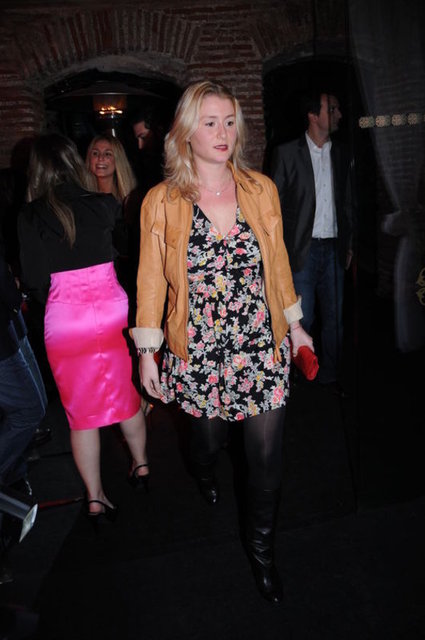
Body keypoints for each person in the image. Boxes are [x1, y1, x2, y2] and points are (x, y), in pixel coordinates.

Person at [131, 80, 313, 604]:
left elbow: (277, 264)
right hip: (200, 347)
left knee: (266, 456)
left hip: (259, 343)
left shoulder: (260, 189)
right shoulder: (162, 201)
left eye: (230, 122)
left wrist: (296, 325)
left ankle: (262, 551)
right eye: (210, 122)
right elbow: (150, 280)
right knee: (207, 442)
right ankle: (204, 468)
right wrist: (148, 352)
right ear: (186, 132)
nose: (223, 132)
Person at [18, 134, 149, 523]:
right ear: (74, 163)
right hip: (111, 310)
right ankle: (142, 466)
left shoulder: (30, 215)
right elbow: (122, 251)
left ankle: (95, 498)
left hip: (66, 318)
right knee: (126, 395)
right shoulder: (104, 204)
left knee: (81, 415)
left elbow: (35, 279)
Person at [270, 89, 353, 393]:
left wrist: (349, 243)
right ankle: (296, 373)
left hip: (333, 248)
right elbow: (274, 208)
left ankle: (329, 374)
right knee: (301, 319)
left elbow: (348, 201)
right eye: (332, 109)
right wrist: (279, 253)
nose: (339, 114)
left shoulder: (342, 153)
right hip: (300, 252)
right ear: (313, 115)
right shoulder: (287, 153)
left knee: (335, 319)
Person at [85, 133, 137, 202]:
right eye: (95, 153)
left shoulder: (130, 199)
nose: (100, 158)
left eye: (107, 154)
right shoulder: (82, 198)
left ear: (118, 160)